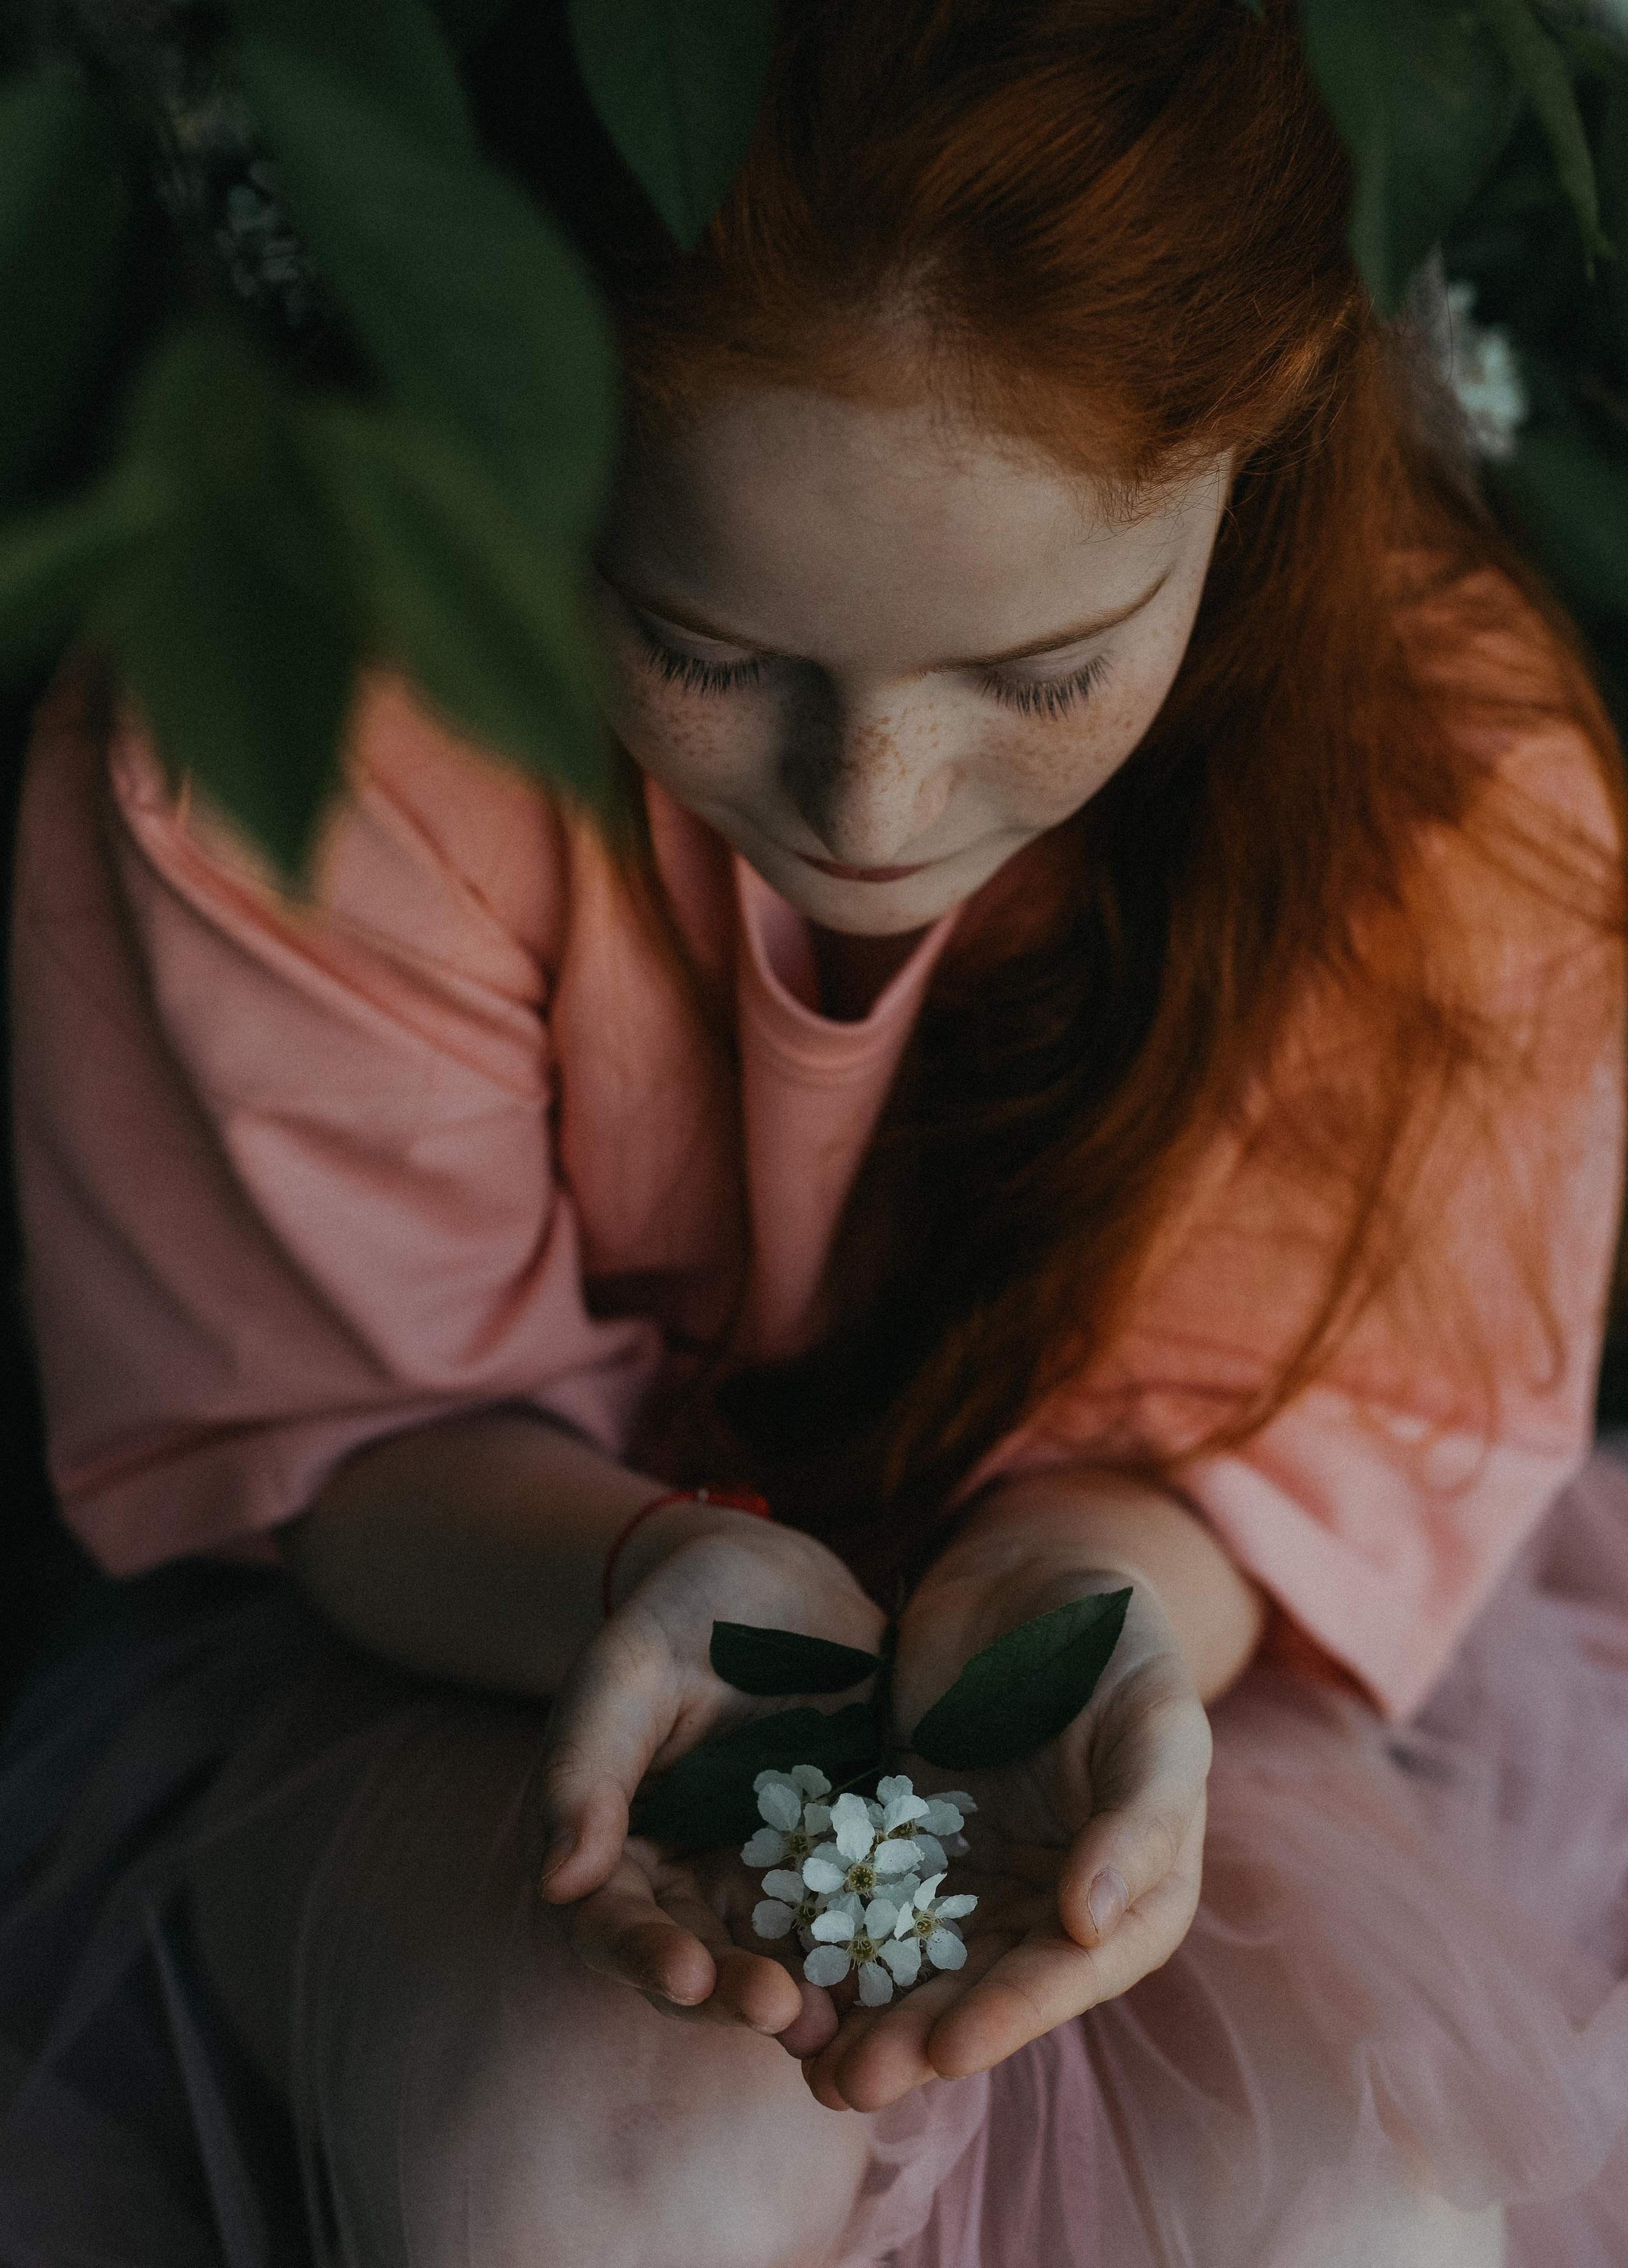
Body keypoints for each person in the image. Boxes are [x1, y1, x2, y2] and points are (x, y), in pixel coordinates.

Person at [3, 1, 1627, 2262]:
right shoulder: (316, 732)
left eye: (1041, 672)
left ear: (1265, 431)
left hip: (1167, 1689)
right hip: (460, 1653)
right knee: (605, 2161)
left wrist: (1076, 1610)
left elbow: (1281, 1465)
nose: (873, 805)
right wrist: (649, 1577)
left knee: (1355, 2194)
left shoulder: (1437, 797)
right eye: (706, 645)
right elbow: (355, 1436)